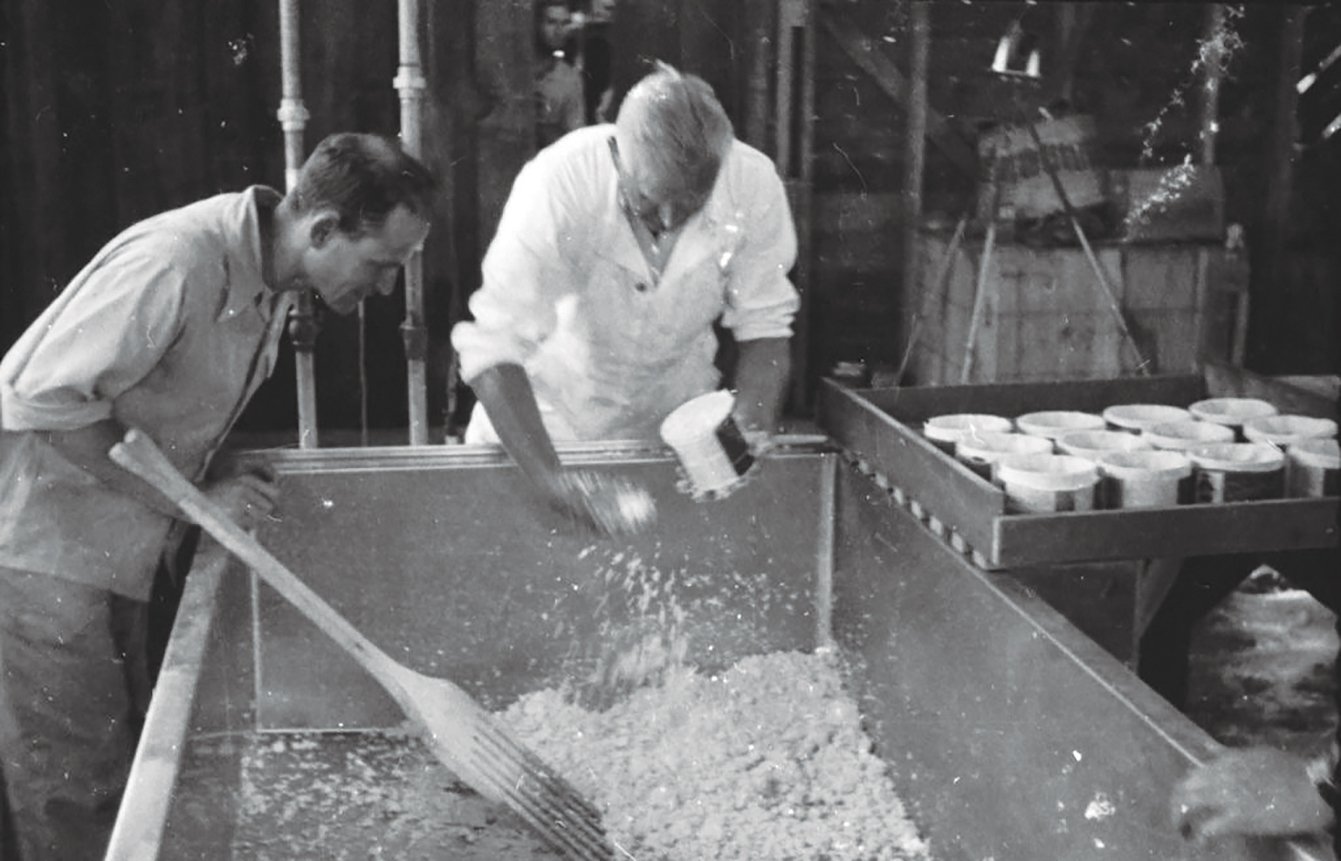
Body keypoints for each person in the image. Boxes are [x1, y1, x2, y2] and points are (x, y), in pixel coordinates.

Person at [0, 132, 436, 860]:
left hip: (113, 548)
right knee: (76, 797)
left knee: (119, 783)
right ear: (323, 229)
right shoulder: (177, 261)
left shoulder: (270, 277)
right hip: (42, 555)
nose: (386, 289)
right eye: (380, 264)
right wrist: (197, 502)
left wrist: (213, 470)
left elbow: (146, 401)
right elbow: (35, 399)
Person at [451, 62, 799, 526]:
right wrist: (552, 480)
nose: (669, 221)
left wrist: (748, 433)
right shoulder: (559, 181)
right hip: (548, 426)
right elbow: (494, 345)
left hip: (670, 434)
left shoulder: (753, 184)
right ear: (616, 155)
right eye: (650, 201)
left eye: (690, 203)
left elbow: (766, 328)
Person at [535, 0, 586, 149]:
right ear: (537, 24)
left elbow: (576, 138)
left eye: (564, 23)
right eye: (551, 22)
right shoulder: (516, 69)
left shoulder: (569, 78)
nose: (558, 31)